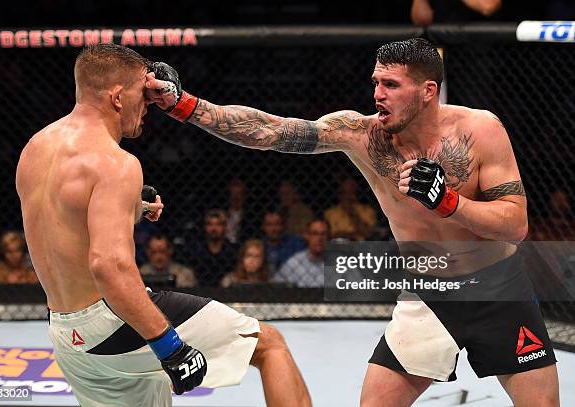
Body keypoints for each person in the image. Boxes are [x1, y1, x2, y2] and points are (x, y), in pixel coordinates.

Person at [146, 37, 558, 406]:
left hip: (498, 288)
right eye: (376, 82)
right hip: (429, 292)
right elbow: (268, 131)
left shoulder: (480, 130)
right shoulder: (362, 135)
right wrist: (184, 105)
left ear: (428, 91)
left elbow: (515, 224)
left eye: (391, 85)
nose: (377, 94)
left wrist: (449, 202)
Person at [16, 44, 310, 407]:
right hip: (113, 322)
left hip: (66, 332)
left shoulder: (36, 148)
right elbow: (108, 265)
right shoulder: (116, 164)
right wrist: (169, 345)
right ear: (118, 97)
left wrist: (131, 208)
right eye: (144, 94)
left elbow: (64, 223)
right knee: (268, 344)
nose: (150, 105)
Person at [183, 209, 239, 287]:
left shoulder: (232, 250)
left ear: (224, 227)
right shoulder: (195, 249)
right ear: (205, 227)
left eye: (218, 224)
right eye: (210, 224)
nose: (214, 228)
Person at [273, 219, 330, 288]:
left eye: (323, 234)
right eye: (315, 233)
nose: (319, 238)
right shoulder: (294, 262)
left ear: (329, 237)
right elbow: (274, 287)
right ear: (307, 236)